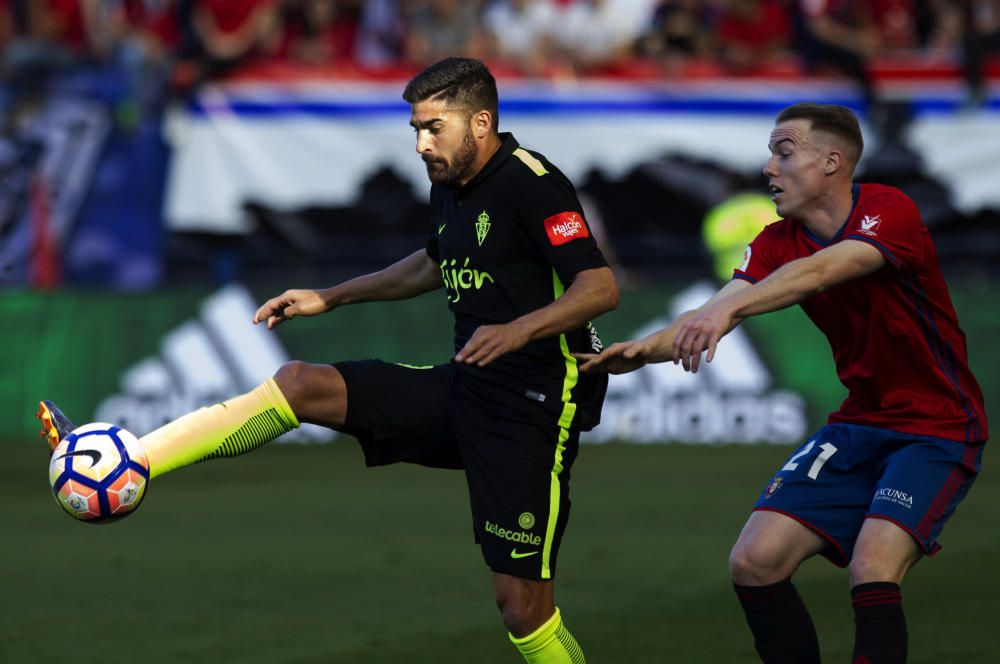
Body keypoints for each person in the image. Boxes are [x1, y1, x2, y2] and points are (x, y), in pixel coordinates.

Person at [38, 57, 617, 663]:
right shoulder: (449, 181)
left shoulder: (534, 183)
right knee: (300, 384)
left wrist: (518, 331)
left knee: (523, 609)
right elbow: (431, 262)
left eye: (433, 128)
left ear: (480, 122)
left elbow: (599, 288)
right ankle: (132, 461)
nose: (421, 144)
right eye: (415, 128)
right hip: (466, 388)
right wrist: (332, 296)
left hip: (531, 410)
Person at [578, 102, 987, 663]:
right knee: (755, 561)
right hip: (861, 422)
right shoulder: (774, 241)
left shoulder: (888, 210)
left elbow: (820, 272)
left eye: (784, 151)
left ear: (832, 162)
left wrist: (728, 312)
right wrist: (642, 351)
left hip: (937, 426)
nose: (769, 167)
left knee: (873, 564)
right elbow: (718, 306)